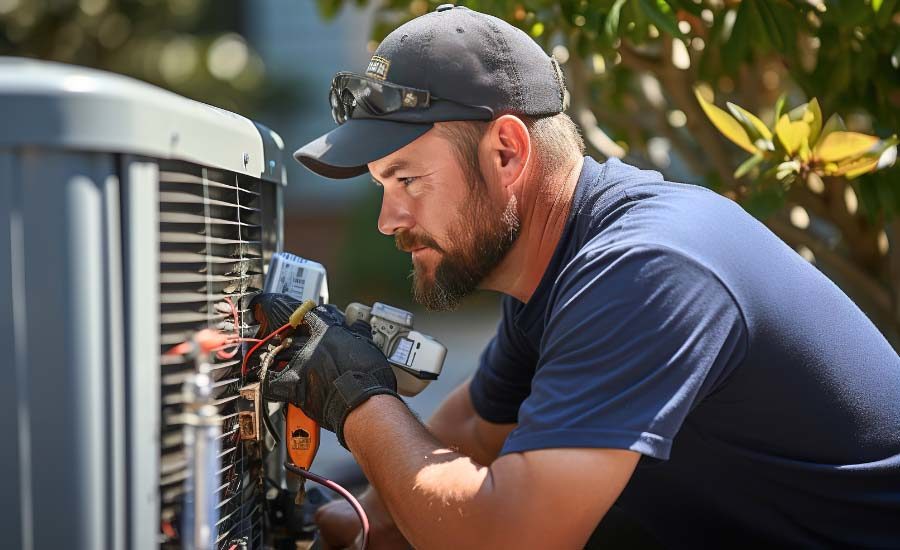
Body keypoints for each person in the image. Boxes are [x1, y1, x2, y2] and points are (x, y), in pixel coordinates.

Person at [256, 5, 900, 548]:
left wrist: (358, 400)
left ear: (506, 152)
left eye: (408, 179)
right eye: (381, 186)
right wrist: (331, 525)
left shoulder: (644, 269)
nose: (388, 219)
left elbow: (508, 536)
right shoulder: (557, 267)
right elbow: (471, 437)